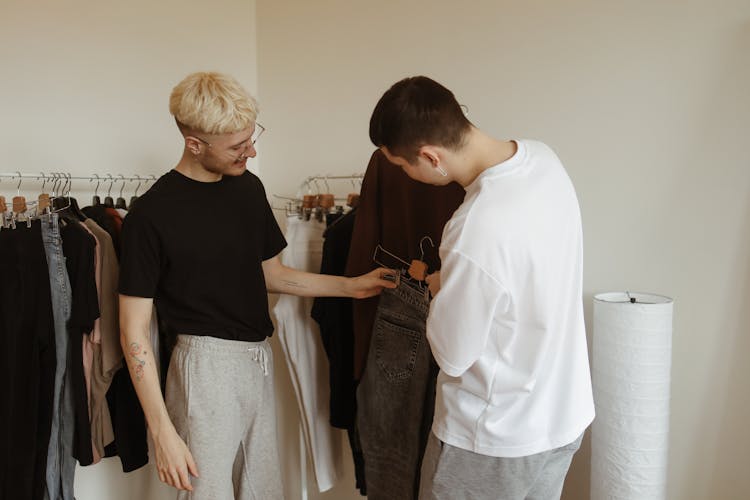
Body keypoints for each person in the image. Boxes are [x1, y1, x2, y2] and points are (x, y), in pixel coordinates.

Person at [118, 71, 394, 499]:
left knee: (262, 491)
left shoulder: (247, 188)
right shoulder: (150, 216)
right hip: (203, 369)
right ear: (195, 144)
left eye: (251, 137)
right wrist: (163, 432)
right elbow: (133, 330)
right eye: (236, 146)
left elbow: (272, 274)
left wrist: (352, 286)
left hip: (256, 361)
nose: (251, 150)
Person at [368, 76, 595, 500]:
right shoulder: (543, 158)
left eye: (401, 166)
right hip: (563, 415)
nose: (405, 176)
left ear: (430, 157)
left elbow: (454, 357)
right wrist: (458, 283)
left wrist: (440, 290)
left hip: (492, 438)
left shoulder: (474, 228)